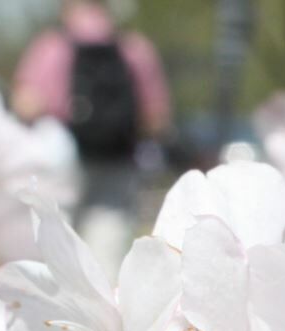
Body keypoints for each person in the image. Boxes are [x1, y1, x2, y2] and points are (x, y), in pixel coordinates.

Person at [12, 1, 171, 270]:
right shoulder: (134, 49)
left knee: (53, 244)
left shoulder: (51, 47)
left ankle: (51, 309)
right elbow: (157, 117)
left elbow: (25, 104)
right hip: (117, 161)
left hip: (61, 162)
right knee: (106, 247)